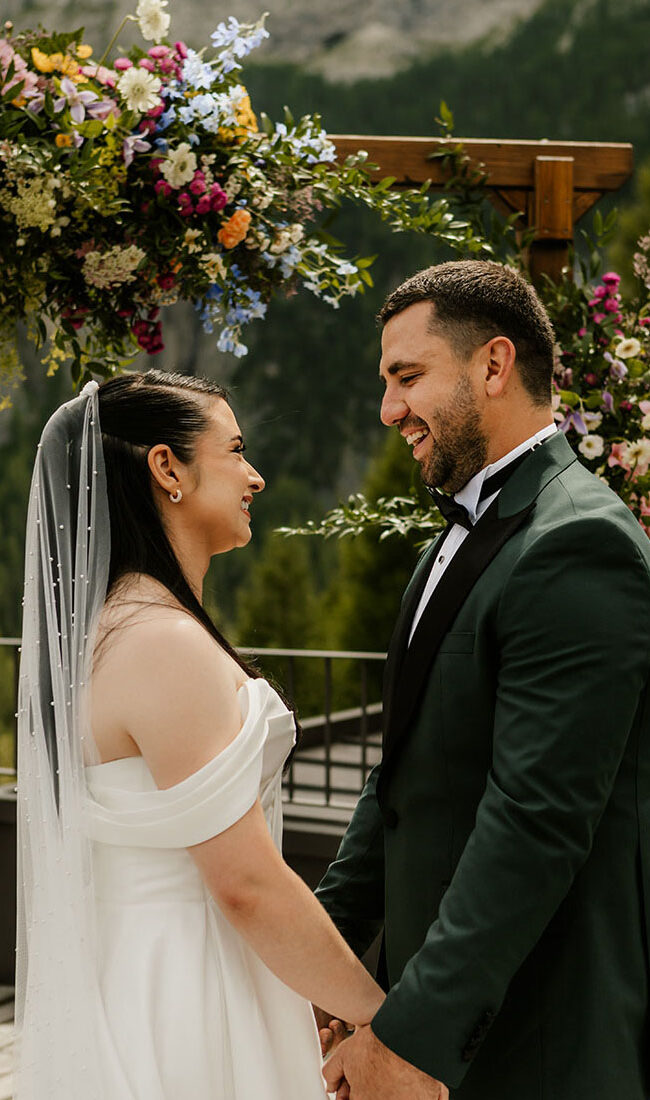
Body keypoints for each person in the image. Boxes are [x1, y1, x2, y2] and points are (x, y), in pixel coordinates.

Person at [316, 260, 650, 1100]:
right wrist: (324, 954)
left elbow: (534, 824)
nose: (390, 410)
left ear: (493, 366)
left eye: (408, 376)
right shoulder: (449, 544)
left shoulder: (581, 544)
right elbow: (398, 779)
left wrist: (414, 1038)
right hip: (437, 1011)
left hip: (534, 1038)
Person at [15, 369, 384, 1099]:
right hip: (186, 986)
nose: (256, 476)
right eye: (236, 449)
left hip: (137, 972)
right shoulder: (159, 642)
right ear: (167, 468)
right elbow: (245, 883)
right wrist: (380, 1019)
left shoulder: (117, 627)